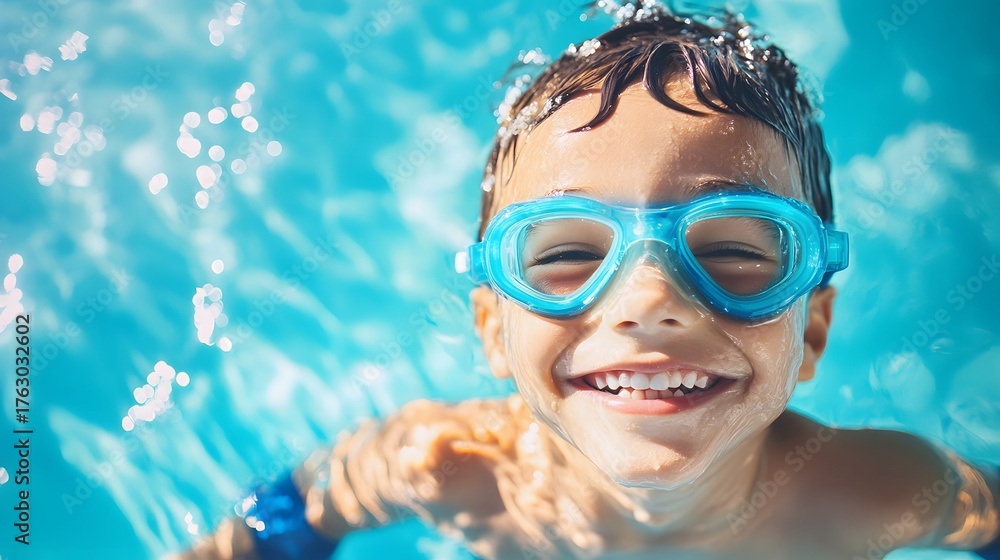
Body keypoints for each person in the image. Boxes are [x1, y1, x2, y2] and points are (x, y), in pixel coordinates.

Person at [177, 3, 1000, 559]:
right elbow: (289, 513)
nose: (649, 300)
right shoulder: (452, 467)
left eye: (737, 252)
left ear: (812, 328)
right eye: (566, 253)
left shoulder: (876, 491)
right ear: (494, 329)